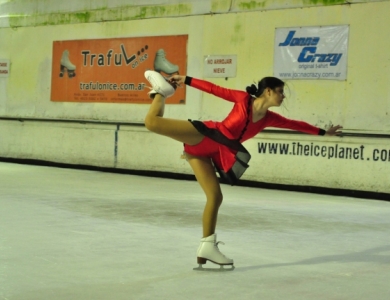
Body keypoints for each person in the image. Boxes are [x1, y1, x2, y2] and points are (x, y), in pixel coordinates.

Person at [143, 70, 342, 271]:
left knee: (215, 197)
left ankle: (207, 247)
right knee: (152, 122)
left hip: (209, 152)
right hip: (208, 135)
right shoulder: (243, 99)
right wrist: (186, 80)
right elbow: (214, 89)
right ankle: (162, 92)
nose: (283, 96)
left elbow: (294, 125)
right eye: (280, 91)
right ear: (268, 91)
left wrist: (323, 132)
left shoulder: (268, 118)